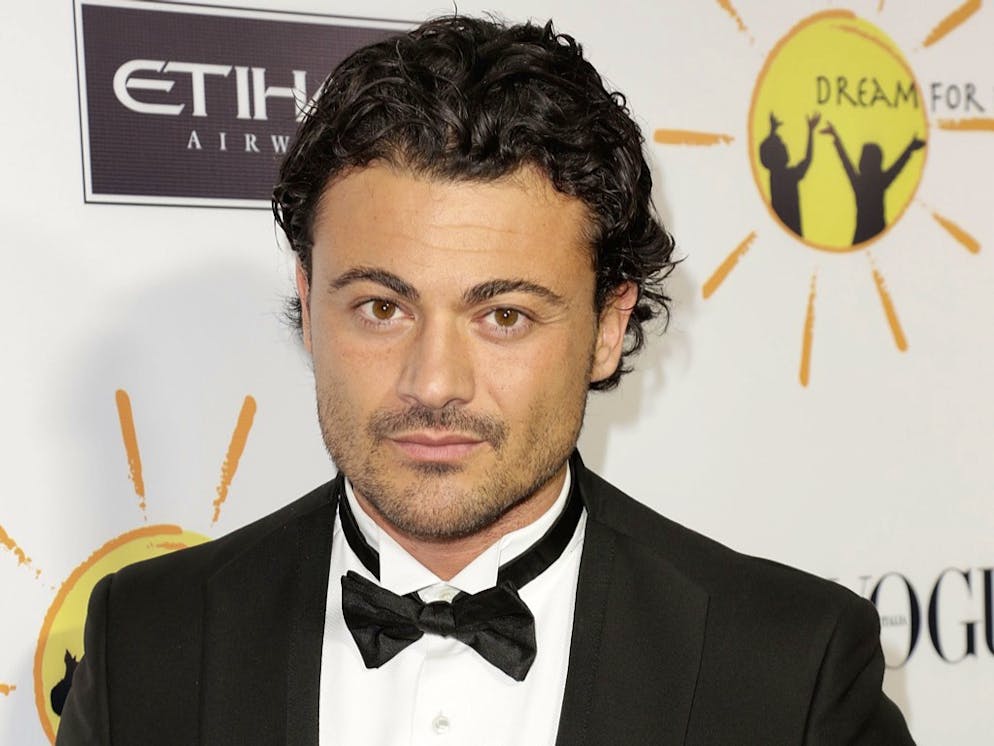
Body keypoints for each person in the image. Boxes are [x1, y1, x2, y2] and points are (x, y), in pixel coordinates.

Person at [57, 16, 915, 745]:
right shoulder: (147, 643)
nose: (434, 384)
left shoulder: (789, 668)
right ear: (309, 304)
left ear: (608, 328)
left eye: (503, 315)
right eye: (382, 308)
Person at [821, 122, 926, 245]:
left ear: (862, 161)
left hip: (862, 235)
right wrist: (910, 148)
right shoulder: (880, 181)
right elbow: (898, 165)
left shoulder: (860, 182)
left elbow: (845, 160)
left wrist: (836, 138)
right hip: (878, 234)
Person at [758, 111, 820, 238]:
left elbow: (769, 149)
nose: (785, 145)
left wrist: (772, 131)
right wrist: (810, 131)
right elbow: (807, 160)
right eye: (781, 145)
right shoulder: (787, 177)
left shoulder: (775, 175)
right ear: (777, 154)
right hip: (791, 231)